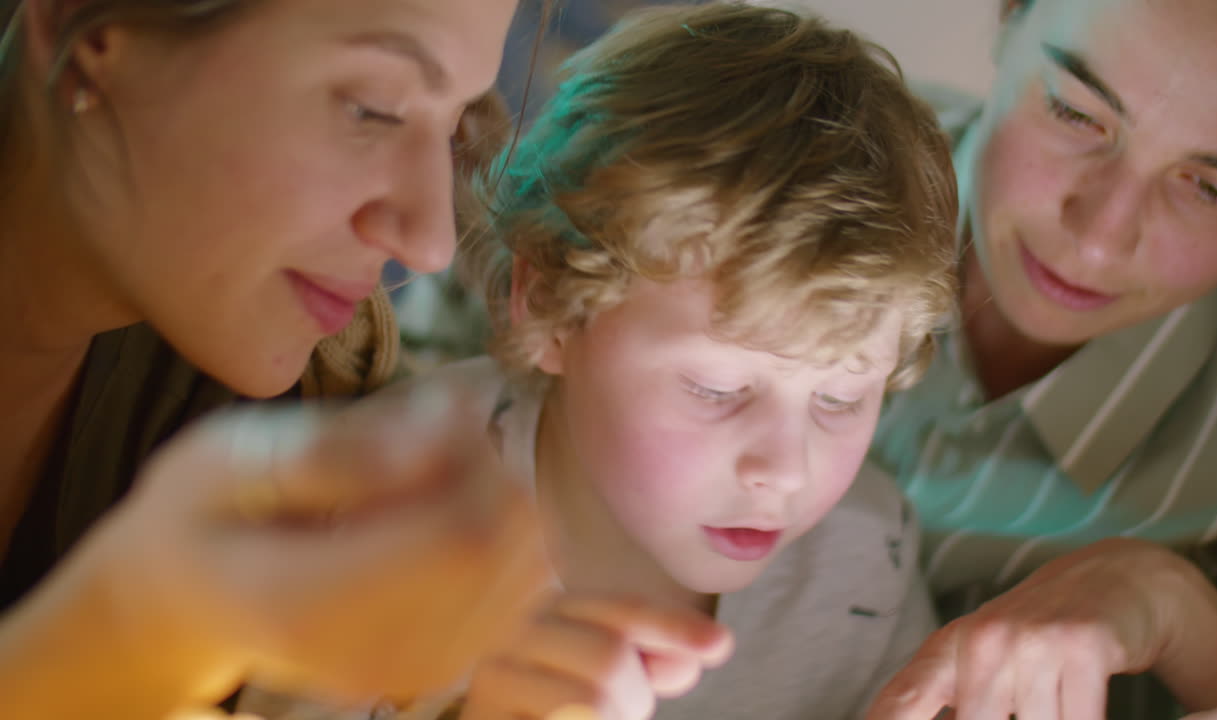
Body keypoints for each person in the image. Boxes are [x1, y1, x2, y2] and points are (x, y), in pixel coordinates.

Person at [0, 1, 729, 717]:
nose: (430, 241)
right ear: (81, 26)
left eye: (454, 130)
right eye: (372, 110)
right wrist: (138, 632)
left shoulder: (315, 384)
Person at [413, 5, 958, 718]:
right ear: (548, 305)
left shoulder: (863, 556)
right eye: (717, 388)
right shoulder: (400, 495)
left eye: (842, 399)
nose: (785, 469)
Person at [856, 0, 1217, 717]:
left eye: (1212, 188)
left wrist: (1172, 607)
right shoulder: (753, 157)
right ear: (1009, 16)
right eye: (1076, 114)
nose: (1097, 241)